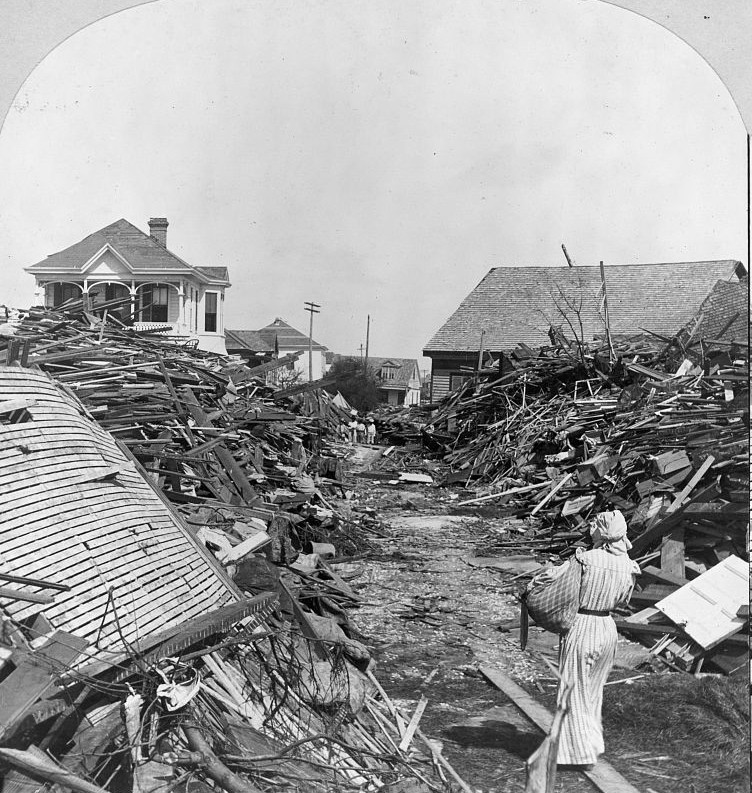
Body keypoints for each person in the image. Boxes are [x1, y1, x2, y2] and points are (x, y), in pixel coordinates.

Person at [556, 510, 639, 768]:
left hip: (584, 624)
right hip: (607, 627)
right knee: (593, 691)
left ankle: (576, 755)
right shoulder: (629, 565)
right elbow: (624, 600)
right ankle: (591, 743)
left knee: (572, 689)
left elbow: (564, 590)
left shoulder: (585, 559)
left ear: (601, 531)